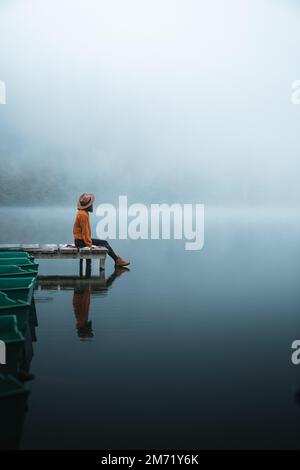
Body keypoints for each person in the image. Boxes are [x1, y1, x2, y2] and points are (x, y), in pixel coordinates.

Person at [73, 193, 130, 267]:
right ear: (87, 206)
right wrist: (89, 245)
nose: (92, 206)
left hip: (80, 240)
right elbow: (85, 232)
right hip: (81, 241)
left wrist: (89, 242)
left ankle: (117, 260)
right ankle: (117, 260)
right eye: (91, 204)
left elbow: (85, 232)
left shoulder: (83, 213)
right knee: (104, 243)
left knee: (104, 242)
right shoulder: (83, 215)